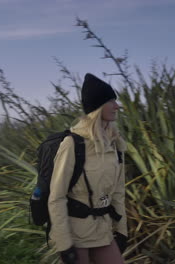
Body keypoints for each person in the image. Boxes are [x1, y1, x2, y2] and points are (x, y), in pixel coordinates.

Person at [48, 73, 128, 264]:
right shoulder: (72, 144)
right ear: (97, 107)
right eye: (111, 101)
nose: (117, 106)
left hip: (103, 232)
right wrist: (64, 244)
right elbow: (56, 197)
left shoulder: (115, 144)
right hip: (74, 234)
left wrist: (122, 230)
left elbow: (118, 192)